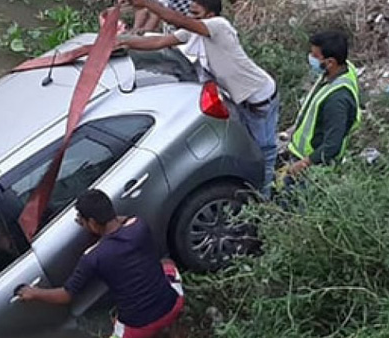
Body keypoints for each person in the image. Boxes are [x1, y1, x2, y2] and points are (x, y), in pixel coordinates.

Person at [118, 0, 279, 199]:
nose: (191, 18)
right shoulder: (195, 32)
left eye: (196, 13)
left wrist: (146, 3)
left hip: (259, 98)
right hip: (241, 99)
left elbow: (172, 17)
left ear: (210, 14)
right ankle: (256, 192)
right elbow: (157, 42)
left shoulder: (218, 26)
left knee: (264, 150)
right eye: (191, 13)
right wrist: (123, 41)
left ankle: (266, 199)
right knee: (251, 147)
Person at [16, 189, 185, 338]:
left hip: (137, 327)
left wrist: (34, 292)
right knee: (167, 265)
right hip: (172, 304)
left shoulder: (93, 257)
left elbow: (65, 295)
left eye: (81, 220)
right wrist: (97, 223)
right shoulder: (139, 225)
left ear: (92, 223)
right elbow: (122, 222)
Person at [284, 30, 362, 178]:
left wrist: (303, 164)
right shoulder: (340, 69)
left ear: (330, 62)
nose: (311, 58)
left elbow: (332, 145)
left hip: (313, 169)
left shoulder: (337, 100)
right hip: (302, 156)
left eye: (315, 56)